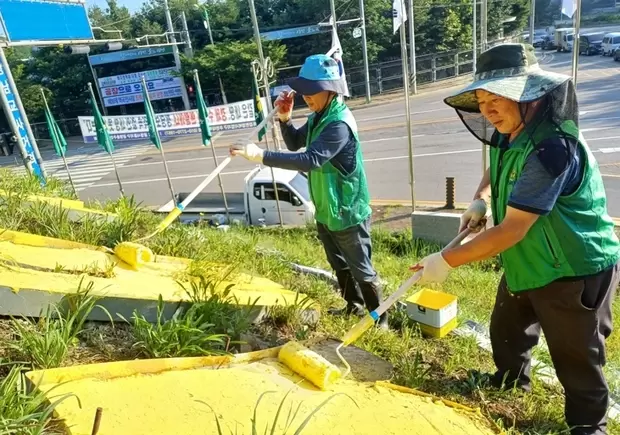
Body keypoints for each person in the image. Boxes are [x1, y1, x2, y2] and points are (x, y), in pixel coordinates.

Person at [411, 43, 620, 435]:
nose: (488, 110)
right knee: (507, 325)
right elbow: (497, 166)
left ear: (530, 95)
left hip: (573, 268)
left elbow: (511, 230)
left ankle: (589, 426)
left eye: (498, 99)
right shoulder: (512, 133)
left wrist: (446, 261)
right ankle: (510, 379)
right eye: (483, 100)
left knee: (577, 354)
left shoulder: (552, 150)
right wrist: (481, 200)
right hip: (529, 258)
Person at [230, 54, 388, 329]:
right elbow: (294, 144)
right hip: (327, 206)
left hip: (347, 209)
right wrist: (285, 118)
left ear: (330, 90)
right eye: (304, 91)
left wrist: (260, 156)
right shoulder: (320, 115)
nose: (307, 97)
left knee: (361, 266)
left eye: (312, 91)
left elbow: (309, 159)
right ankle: (354, 306)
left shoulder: (338, 124)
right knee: (338, 262)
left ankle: (379, 319)